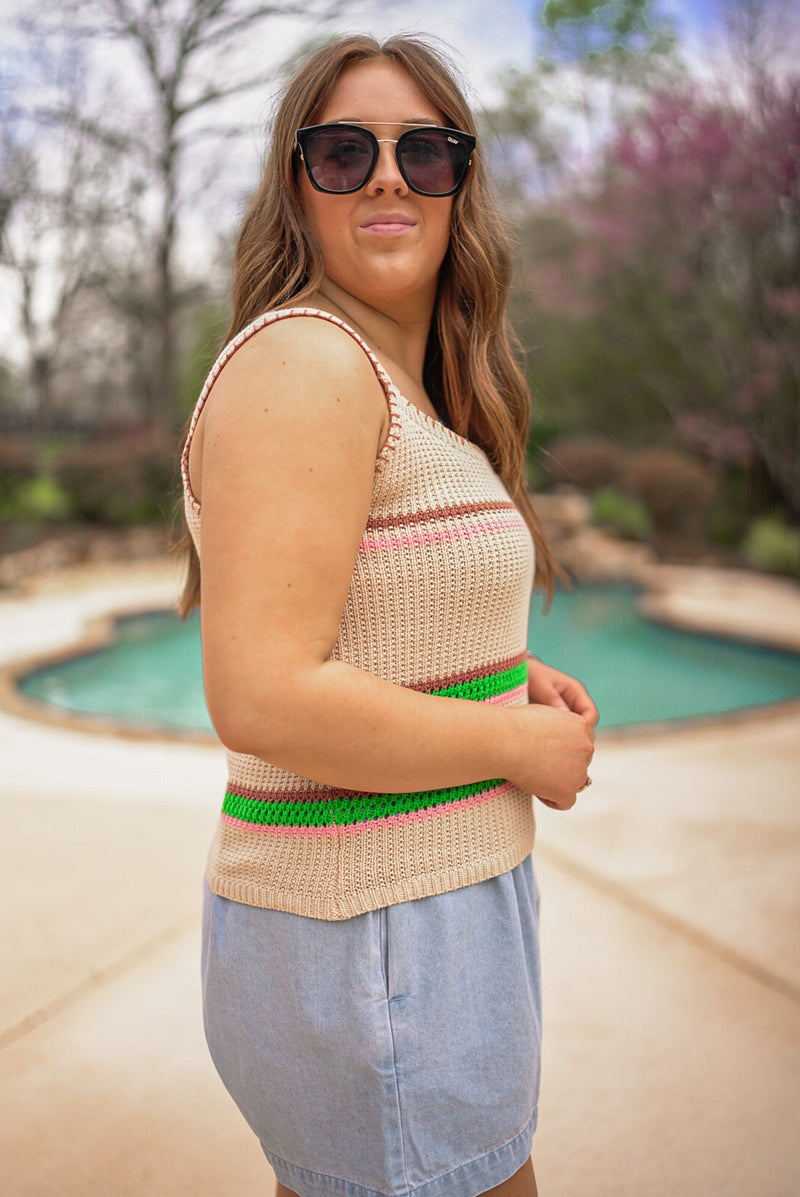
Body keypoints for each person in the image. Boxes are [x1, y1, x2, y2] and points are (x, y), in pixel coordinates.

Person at [179, 33, 597, 1197]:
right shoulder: (307, 363)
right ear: (294, 188)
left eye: (425, 149)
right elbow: (261, 694)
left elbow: (367, 621)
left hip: (410, 924)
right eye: (342, 151)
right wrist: (510, 744)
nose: (385, 176)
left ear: (462, 182)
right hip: (375, 934)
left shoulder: (404, 384)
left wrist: (501, 675)